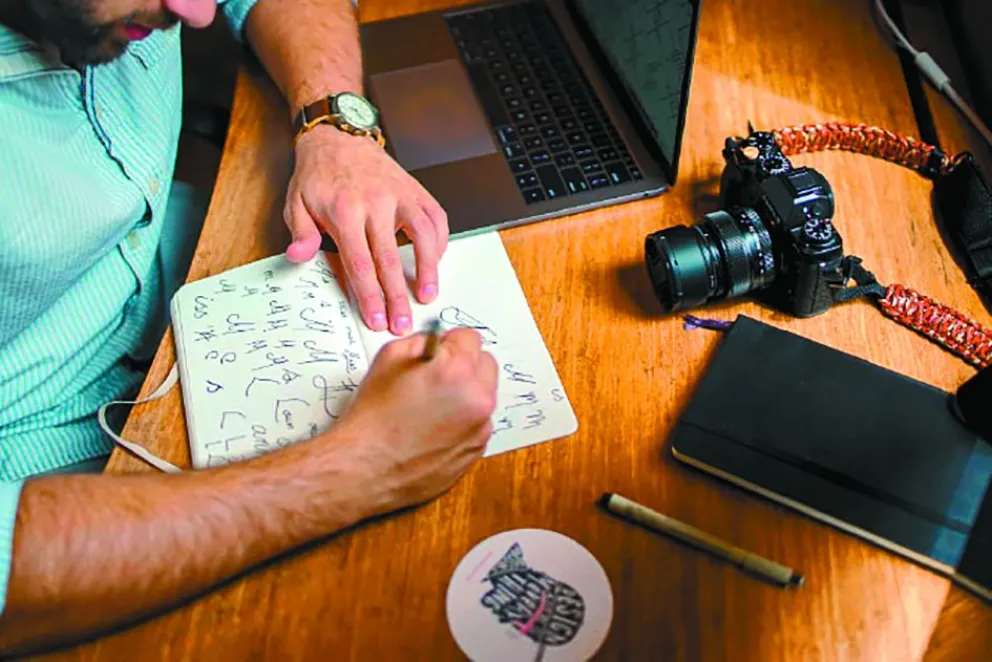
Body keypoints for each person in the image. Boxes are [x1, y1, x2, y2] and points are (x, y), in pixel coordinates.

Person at [0, 0, 498, 654]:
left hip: (199, 264)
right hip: (58, 493)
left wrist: (333, 125)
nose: (198, 12)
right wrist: (364, 467)